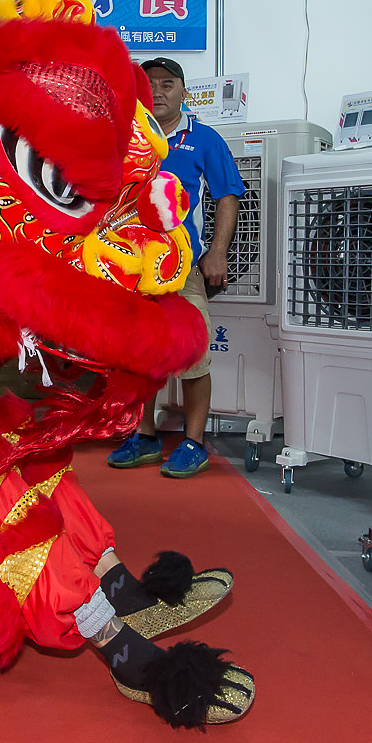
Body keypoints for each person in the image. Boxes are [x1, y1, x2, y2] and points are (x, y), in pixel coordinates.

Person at [107, 58, 245, 479]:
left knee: (193, 354)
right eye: (151, 84)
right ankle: (144, 436)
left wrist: (218, 250)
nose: (158, 91)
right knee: (138, 355)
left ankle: (193, 442)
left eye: (168, 84)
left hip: (183, 269)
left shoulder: (203, 139)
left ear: (184, 92)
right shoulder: (126, 137)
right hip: (132, 269)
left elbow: (227, 195)